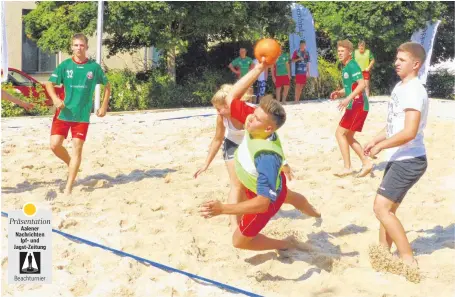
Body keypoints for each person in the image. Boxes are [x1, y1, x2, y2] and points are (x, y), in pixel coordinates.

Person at [200, 58, 321, 252]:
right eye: (253, 113)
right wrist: (259, 69)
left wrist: (223, 209)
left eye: (256, 118)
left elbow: (262, 204)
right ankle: (315, 213)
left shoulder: (266, 155)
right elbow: (232, 96)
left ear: (268, 128)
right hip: (266, 183)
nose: (249, 117)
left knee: (239, 241)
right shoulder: (256, 124)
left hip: (264, 198)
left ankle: (286, 244)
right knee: (289, 196)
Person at [364, 42, 428, 279]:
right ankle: (383, 252)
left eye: (402, 60)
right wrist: (375, 139)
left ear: (415, 64)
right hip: (401, 156)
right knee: (388, 209)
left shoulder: (414, 90)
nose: (396, 63)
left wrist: (381, 145)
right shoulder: (401, 87)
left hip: (410, 159)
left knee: (380, 208)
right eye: (396, 59)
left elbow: (409, 132)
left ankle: (408, 261)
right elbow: (395, 126)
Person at [45, 33, 111, 195]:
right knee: (54, 145)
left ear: (86, 47)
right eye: (75, 45)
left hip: (82, 116)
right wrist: (54, 98)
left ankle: (68, 187)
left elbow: (107, 85)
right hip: (64, 112)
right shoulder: (65, 65)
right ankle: (70, 163)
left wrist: (103, 106)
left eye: (81, 45)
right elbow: (49, 83)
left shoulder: (94, 68)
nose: (78, 48)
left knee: (77, 148)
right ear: (71, 47)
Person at [330, 39, 372, 178]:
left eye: (343, 51)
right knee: (348, 136)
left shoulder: (352, 65)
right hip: (357, 104)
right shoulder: (346, 67)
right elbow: (351, 86)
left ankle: (347, 167)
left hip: (357, 104)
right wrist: (340, 92)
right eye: (339, 51)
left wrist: (348, 98)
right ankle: (366, 163)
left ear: (349, 52)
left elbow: (361, 85)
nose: (340, 53)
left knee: (340, 133)